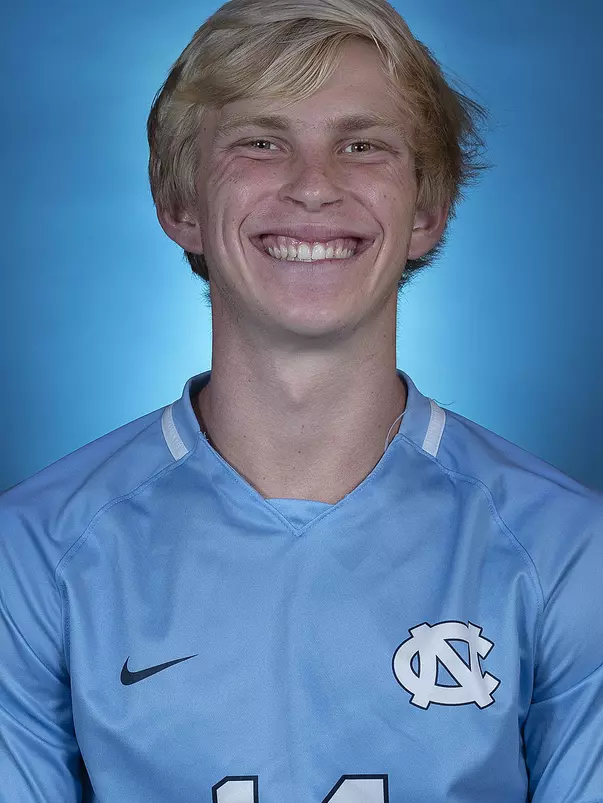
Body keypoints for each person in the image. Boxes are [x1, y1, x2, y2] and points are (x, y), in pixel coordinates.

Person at [1, 0, 602, 800]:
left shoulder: (567, 553)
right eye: (260, 141)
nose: (313, 186)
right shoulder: (34, 555)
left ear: (427, 210)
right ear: (181, 206)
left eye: (361, 145)